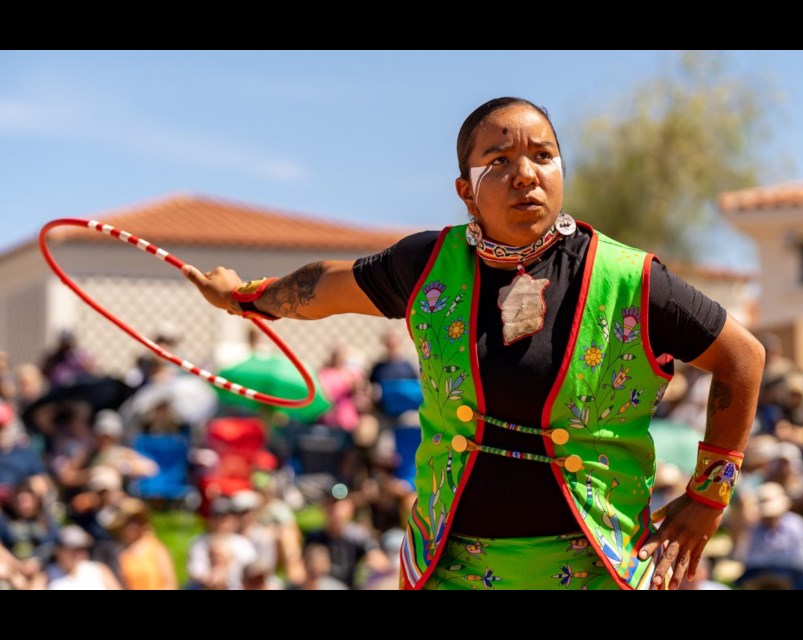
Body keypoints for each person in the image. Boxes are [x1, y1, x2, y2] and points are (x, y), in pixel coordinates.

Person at [182, 97, 764, 590]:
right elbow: (322, 288)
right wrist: (244, 297)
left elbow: (742, 357)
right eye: (500, 159)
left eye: (542, 156)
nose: (526, 174)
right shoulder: (427, 264)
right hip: (450, 567)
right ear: (466, 189)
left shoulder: (631, 280)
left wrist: (707, 498)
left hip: (598, 566)